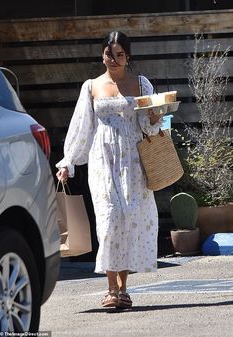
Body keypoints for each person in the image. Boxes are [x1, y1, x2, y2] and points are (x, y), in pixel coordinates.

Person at [56, 31, 163, 309]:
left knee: (127, 219)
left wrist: (155, 117)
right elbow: (82, 128)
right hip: (102, 160)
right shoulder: (91, 86)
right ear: (102, 55)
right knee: (108, 220)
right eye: (108, 53)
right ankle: (110, 288)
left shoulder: (141, 84)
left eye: (119, 54)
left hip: (133, 161)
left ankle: (124, 289)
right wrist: (68, 161)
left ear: (127, 56)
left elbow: (150, 127)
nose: (113, 59)